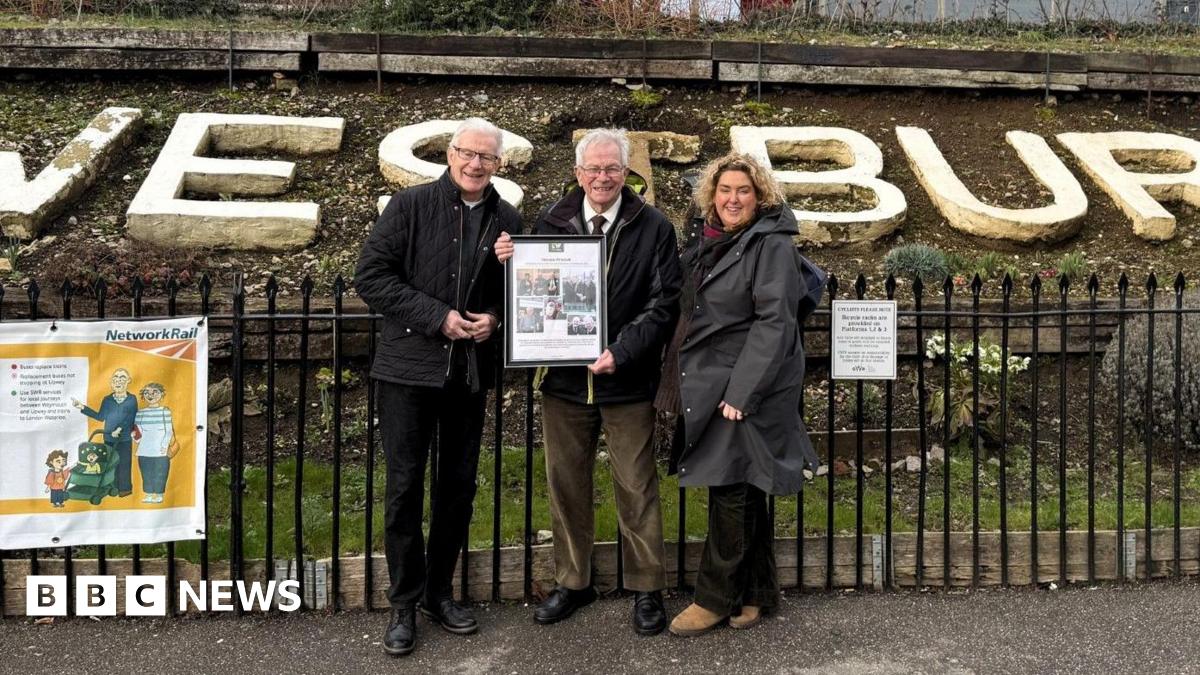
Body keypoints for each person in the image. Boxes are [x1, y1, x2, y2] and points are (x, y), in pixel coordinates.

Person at [354, 117, 521, 657]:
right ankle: (403, 601)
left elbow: (529, 294)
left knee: (457, 489)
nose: (476, 165)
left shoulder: (508, 220)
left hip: (468, 374)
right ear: (450, 155)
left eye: (487, 158)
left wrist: (495, 317)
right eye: (468, 154)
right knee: (404, 489)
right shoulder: (410, 206)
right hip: (408, 370)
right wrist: (437, 317)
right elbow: (372, 276)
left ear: (499, 164)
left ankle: (439, 593)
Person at [657, 152, 825, 637]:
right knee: (745, 486)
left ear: (760, 197)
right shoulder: (710, 239)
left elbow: (774, 321)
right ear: (712, 193)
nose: (733, 199)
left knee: (731, 489)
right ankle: (755, 593)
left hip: (744, 386)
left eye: (743, 191)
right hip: (717, 378)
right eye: (725, 189)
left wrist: (742, 391)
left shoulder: (769, 243)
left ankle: (713, 598)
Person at [531, 128, 682, 635]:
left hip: (627, 380)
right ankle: (573, 583)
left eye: (612, 168)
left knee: (636, 487)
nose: (602, 177)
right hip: (565, 384)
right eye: (593, 169)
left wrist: (623, 350)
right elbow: (532, 293)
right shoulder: (550, 220)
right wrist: (512, 263)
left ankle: (646, 588)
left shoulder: (653, 225)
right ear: (577, 173)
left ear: (626, 172)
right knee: (566, 485)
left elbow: (664, 303)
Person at [72, 368, 137, 497]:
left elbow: (131, 417)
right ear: (111, 382)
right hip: (108, 437)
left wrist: (119, 429)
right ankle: (112, 488)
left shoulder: (132, 399)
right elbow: (100, 416)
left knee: (123, 463)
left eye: (122, 377)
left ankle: (124, 489)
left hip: (123, 438)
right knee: (110, 463)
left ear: (128, 380)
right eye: (115, 378)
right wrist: (82, 408)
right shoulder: (107, 400)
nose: (118, 380)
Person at [133, 382, 174, 504]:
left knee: (161, 472)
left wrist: (164, 446)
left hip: (160, 450)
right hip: (144, 449)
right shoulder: (140, 413)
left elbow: (169, 431)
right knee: (146, 472)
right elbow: (137, 432)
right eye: (147, 392)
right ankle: (149, 494)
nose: (150, 395)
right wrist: (135, 436)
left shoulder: (164, 412)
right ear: (143, 395)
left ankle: (160, 495)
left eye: (155, 392)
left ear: (161, 395)